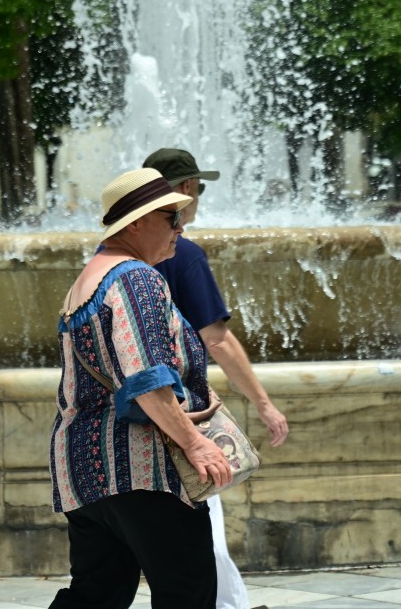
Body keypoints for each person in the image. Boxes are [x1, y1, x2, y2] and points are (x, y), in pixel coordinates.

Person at [49, 168, 233, 609]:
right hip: (142, 470)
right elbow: (146, 378)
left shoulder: (88, 279)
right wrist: (195, 444)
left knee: (96, 596)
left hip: (83, 471)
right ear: (136, 223)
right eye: (171, 217)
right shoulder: (136, 278)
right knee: (187, 594)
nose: (181, 227)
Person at [144, 147, 289, 609]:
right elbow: (218, 339)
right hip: (179, 415)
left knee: (120, 565)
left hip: (127, 419)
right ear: (185, 190)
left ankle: (232, 604)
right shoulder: (183, 255)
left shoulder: (115, 257)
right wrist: (264, 403)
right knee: (203, 523)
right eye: (198, 188)